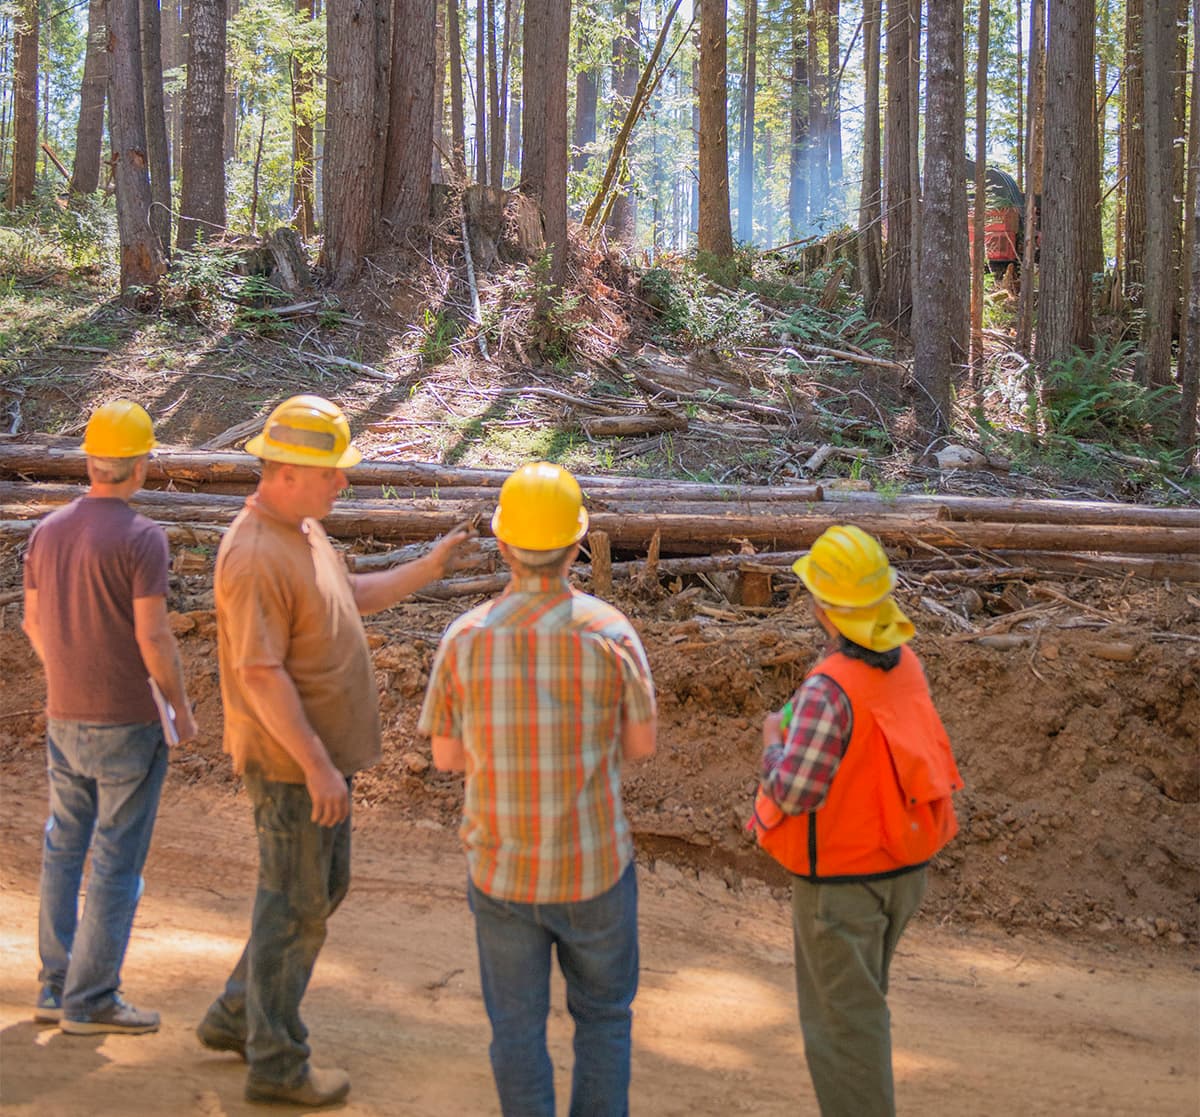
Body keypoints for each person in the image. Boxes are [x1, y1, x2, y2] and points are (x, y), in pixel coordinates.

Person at [195, 394, 473, 1108]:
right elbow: (259, 673)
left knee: (313, 892)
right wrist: (317, 765)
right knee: (296, 904)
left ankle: (237, 1014)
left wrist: (431, 566)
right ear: (285, 470)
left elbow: (349, 593)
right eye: (331, 471)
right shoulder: (255, 555)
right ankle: (277, 1062)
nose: (342, 482)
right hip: (290, 765)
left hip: (316, 761)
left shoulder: (303, 529)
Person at [419, 461, 657, 1117]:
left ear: (502, 543)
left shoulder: (464, 638)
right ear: (578, 544)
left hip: (503, 871)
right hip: (595, 868)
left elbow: (445, 757)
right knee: (604, 1018)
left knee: (517, 1032)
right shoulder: (611, 633)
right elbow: (640, 745)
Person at [750, 524, 963, 1117]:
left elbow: (792, 791)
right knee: (860, 1011)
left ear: (821, 606)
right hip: (902, 871)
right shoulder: (905, 665)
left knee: (845, 1033)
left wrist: (771, 743)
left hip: (843, 888)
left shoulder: (829, 689)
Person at [23, 399, 199, 1036]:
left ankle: (54, 984)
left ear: (92, 460)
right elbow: (154, 638)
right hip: (128, 721)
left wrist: (66, 674)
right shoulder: (142, 538)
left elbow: (32, 624)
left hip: (64, 716)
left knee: (63, 848)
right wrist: (178, 706)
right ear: (141, 465)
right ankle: (92, 999)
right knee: (117, 861)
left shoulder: (47, 530)